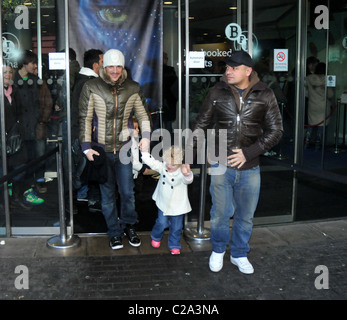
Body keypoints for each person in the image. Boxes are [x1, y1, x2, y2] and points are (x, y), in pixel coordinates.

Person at [185, 51, 283, 274]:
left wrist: (249, 153)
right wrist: (189, 158)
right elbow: (201, 125)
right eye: (227, 67)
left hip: (250, 167)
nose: (228, 71)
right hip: (220, 164)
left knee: (245, 216)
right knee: (220, 213)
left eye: (233, 68)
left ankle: (239, 253)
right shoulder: (217, 92)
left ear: (247, 71)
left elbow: (276, 130)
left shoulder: (265, 94)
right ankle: (218, 250)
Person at [79, 49, 151, 249]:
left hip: (125, 149)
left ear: (123, 67)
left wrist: (145, 137)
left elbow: (143, 116)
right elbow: (84, 118)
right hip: (102, 150)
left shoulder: (133, 88)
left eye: (118, 66)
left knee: (128, 192)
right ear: (103, 67)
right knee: (107, 194)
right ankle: (114, 232)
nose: (115, 70)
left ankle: (128, 225)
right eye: (111, 66)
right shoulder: (91, 87)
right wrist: (86, 147)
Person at [2, 62, 44, 208]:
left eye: (9, 72)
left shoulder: (15, 91)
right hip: (2, 139)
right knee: (3, 172)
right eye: (5, 72)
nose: (8, 75)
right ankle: (4, 202)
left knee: (20, 169)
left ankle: (15, 198)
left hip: (16, 138)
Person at [140, 145, 193, 255]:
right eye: (168, 162)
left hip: (178, 205)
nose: (169, 166)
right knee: (161, 222)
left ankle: (174, 244)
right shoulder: (164, 167)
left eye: (173, 164)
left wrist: (187, 174)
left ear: (179, 164)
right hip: (163, 201)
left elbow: (188, 180)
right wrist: (144, 153)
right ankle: (156, 236)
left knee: (177, 227)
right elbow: (153, 163)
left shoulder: (181, 171)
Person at [13, 50, 53, 194]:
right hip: (19, 129)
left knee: (39, 156)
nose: (35, 66)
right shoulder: (12, 80)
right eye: (33, 63)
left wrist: (42, 120)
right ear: (24, 63)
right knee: (23, 159)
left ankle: (38, 182)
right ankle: (23, 187)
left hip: (37, 127)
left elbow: (48, 102)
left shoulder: (37, 81)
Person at [71, 49, 103, 211]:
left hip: (83, 132)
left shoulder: (82, 80)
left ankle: (86, 198)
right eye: (102, 63)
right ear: (96, 64)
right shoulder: (88, 83)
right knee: (82, 171)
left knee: (85, 169)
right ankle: (68, 201)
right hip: (85, 134)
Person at [305, 62, 334, 150]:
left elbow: (305, 93)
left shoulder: (309, 78)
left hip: (312, 105)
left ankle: (306, 142)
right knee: (321, 126)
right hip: (323, 105)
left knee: (311, 125)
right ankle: (317, 144)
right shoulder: (327, 79)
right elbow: (330, 94)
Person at [162, 52, 178, 133]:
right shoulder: (170, 70)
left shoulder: (154, 71)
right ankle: (168, 144)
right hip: (169, 100)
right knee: (168, 125)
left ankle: (155, 144)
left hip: (158, 100)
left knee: (156, 125)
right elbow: (175, 87)